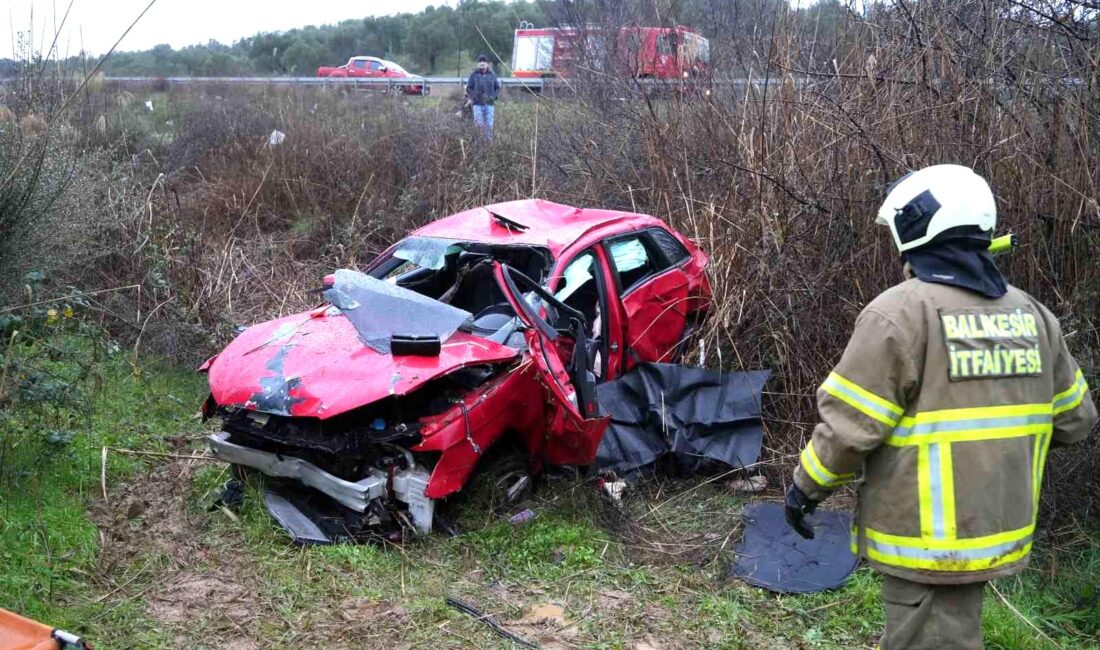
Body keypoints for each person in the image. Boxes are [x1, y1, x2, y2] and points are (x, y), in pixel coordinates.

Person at [785, 165, 1096, 650]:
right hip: (996, 526)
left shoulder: (900, 313)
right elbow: (1077, 421)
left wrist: (804, 490)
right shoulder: (1032, 315)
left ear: (917, 228)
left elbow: (848, 429)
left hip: (927, 539)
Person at [466, 54, 500, 141]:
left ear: (487, 64)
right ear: (478, 64)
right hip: (477, 105)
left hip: (490, 105)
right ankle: (479, 149)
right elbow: (469, 88)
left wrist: (494, 97)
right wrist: (474, 96)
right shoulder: (474, 75)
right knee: (478, 127)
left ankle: (489, 148)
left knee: (489, 127)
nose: (482, 63)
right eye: (480, 61)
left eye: (484, 61)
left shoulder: (492, 75)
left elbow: (497, 88)